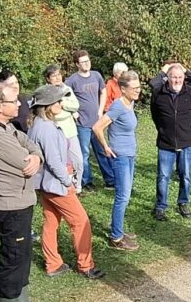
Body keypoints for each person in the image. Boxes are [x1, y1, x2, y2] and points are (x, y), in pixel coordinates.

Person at [0, 80, 52, 302]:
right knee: (12, 258)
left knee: (22, 254)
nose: (19, 104)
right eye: (13, 101)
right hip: (9, 205)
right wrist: (32, 158)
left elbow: (32, 146)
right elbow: (24, 161)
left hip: (21, 200)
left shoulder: (6, 127)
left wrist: (36, 156)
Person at [27, 84, 107, 279]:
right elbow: (54, 161)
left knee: (51, 221)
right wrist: (67, 181)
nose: (61, 103)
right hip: (56, 183)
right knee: (80, 221)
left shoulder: (37, 124)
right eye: (57, 101)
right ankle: (86, 265)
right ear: (47, 105)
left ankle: (53, 263)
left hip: (46, 184)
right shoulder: (46, 128)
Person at [93, 71, 143, 250]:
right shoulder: (118, 106)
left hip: (129, 155)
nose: (138, 91)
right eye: (134, 88)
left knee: (126, 195)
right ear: (123, 89)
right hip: (120, 156)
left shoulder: (129, 103)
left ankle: (118, 229)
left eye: (139, 87)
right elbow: (97, 127)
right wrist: (106, 147)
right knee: (122, 196)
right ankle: (116, 237)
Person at [149, 62, 191, 221]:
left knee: (186, 175)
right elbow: (155, 114)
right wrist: (164, 130)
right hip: (165, 143)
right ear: (168, 78)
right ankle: (160, 206)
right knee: (163, 176)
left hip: (187, 142)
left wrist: (186, 130)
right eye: (173, 77)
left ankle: (183, 203)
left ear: (184, 78)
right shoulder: (159, 92)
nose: (177, 80)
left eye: (180, 77)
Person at [66, 51, 116, 190]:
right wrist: (73, 112)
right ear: (77, 64)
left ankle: (110, 180)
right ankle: (87, 181)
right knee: (84, 153)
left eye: (87, 60)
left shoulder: (96, 75)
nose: (86, 63)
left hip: (97, 122)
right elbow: (63, 95)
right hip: (82, 123)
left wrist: (101, 110)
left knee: (102, 150)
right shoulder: (72, 80)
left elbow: (103, 91)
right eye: (83, 62)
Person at [43, 64, 83, 196]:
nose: (57, 77)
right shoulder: (46, 93)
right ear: (48, 79)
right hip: (56, 132)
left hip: (70, 130)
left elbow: (76, 105)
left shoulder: (67, 88)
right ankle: (65, 187)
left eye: (59, 74)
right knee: (62, 162)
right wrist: (68, 111)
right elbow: (53, 114)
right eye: (54, 76)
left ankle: (77, 185)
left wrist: (63, 104)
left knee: (78, 160)